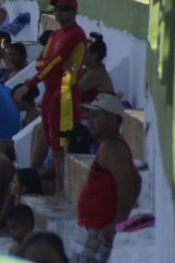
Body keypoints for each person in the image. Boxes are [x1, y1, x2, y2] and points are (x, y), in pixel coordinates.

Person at [14, 0, 88, 198]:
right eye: (56, 9)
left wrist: (28, 85)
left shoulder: (76, 34)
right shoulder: (55, 35)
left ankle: (63, 188)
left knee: (62, 144)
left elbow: (52, 63)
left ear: (73, 12)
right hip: (49, 94)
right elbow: (41, 62)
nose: (58, 12)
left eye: (63, 9)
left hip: (64, 95)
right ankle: (59, 187)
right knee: (53, 143)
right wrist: (52, 65)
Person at [73, 94, 141, 263]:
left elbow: (128, 183)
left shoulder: (112, 147)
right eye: (89, 116)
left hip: (98, 230)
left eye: (95, 115)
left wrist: (119, 222)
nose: (89, 120)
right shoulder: (109, 145)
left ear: (111, 119)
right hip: (94, 229)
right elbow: (137, 180)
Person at [0, 168, 44, 233]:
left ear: (23, 188)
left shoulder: (25, 209)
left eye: (14, 182)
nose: (10, 184)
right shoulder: (19, 203)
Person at [79, 32, 114, 103]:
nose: (81, 54)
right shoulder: (88, 70)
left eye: (86, 51)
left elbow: (71, 91)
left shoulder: (95, 74)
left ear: (95, 54)